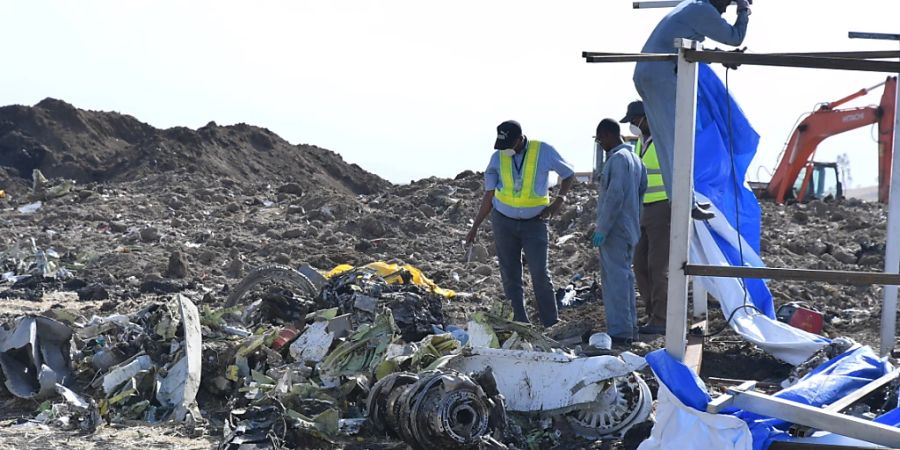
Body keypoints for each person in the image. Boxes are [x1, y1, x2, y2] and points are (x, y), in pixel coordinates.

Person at [633, 0, 751, 221]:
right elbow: (735, 37)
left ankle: (683, 199)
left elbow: (691, 48)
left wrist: (723, 57)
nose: (725, 10)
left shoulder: (691, 7)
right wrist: (744, 10)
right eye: (726, 3)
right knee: (678, 139)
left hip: (647, 73)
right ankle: (685, 202)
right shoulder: (702, 9)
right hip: (661, 75)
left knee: (668, 140)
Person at [466, 120, 575, 327]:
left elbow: (568, 174)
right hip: (503, 221)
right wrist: (475, 226)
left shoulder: (543, 151)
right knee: (510, 273)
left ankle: (551, 323)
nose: (504, 150)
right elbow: (489, 195)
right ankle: (520, 323)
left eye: (508, 144)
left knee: (540, 273)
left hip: (535, 223)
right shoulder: (497, 157)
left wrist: (559, 200)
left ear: (519, 139)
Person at [592, 119, 647, 344]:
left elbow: (614, 197)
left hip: (615, 229)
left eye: (600, 139)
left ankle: (619, 331)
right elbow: (641, 192)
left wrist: (602, 229)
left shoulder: (617, 160)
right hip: (629, 227)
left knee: (615, 281)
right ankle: (629, 327)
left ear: (607, 135)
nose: (600, 143)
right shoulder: (636, 159)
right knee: (625, 278)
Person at [622, 101, 669, 335]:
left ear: (647, 118)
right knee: (640, 264)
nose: (633, 126)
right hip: (644, 208)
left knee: (657, 266)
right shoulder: (642, 143)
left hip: (663, 208)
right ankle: (652, 314)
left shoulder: (664, 140)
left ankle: (662, 318)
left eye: (634, 121)